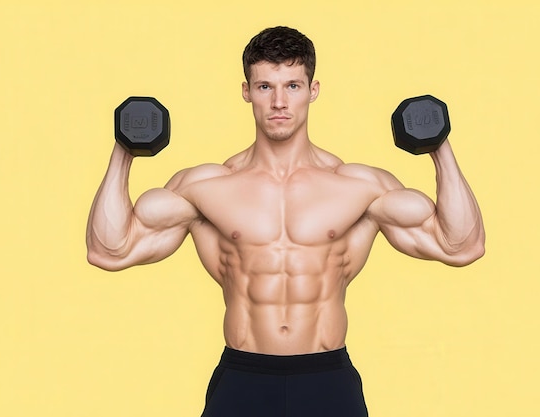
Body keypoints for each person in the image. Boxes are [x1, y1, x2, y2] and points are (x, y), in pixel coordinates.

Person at [86, 26, 485, 417]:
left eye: (292, 86)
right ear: (246, 92)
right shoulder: (206, 188)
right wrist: (125, 149)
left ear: (313, 91)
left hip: (327, 378)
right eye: (265, 87)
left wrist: (439, 145)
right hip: (243, 378)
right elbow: (109, 249)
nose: (279, 101)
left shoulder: (357, 187)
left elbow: (461, 244)